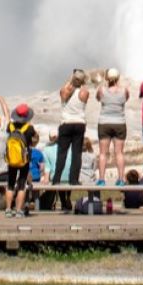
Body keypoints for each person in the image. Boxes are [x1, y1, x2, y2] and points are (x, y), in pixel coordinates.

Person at [51, 70, 90, 212]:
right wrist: (80, 82)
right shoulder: (84, 92)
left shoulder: (65, 91)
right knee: (76, 153)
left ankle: (56, 178)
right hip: (79, 123)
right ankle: (74, 179)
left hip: (66, 123)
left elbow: (63, 92)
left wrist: (70, 79)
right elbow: (84, 93)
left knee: (62, 153)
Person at [0, 97, 38, 218]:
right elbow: (33, 142)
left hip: (11, 160)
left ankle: (8, 209)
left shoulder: (10, 126)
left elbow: (7, 117)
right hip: (23, 160)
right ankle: (19, 210)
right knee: (21, 185)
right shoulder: (29, 128)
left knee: (10, 184)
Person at [95, 69, 130, 184]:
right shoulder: (124, 90)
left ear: (107, 78)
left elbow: (97, 98)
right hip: (120, 123)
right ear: (118, 78)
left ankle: (101, 179)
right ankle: (120, 179)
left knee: (103, 153)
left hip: (104, 123)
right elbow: (126, 99)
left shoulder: (102, 90)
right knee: (119, 152)